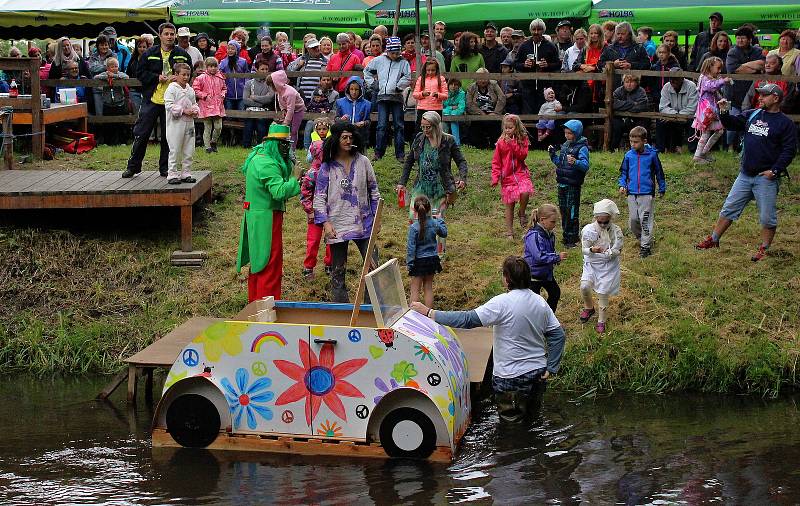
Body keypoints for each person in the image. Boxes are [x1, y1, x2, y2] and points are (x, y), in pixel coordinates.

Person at [409, 256, 566, 423]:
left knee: (510, 429)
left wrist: (429, 313)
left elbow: (467, 320)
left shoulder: (502, 303)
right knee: (532, 422)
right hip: (537, 375)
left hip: (510, 378)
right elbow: (558, 336)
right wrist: (551, 366)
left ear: (507, 279)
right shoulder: (540, 302)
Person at [696, 84, 797, 261]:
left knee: (767, 217)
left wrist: (774, 171)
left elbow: (789, 151)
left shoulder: (785, 123)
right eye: (760, 95)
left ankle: (764, 249)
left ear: (776, 98)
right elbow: (732, 124)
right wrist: (724, 112)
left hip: (765, 178)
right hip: (745, 174)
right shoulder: (753, 113)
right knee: (728, 209)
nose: (760, 98)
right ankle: (714, 239)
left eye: (765, 95)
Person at [313, 122, 381, 303]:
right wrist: (326, 223)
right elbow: (319, 198)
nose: (348, 140)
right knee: (338, 271)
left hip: (364, 224)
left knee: (374, 267)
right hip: (337, 225)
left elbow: (374, 192)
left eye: (351, 137)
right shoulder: (327, 167)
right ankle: (340, 311)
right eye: (344, 137)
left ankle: (369, 307)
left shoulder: (364, 162)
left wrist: (377, 219)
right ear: (336, 139)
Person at [237, 124, 301, 301]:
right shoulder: (267, 163)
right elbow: (279, 191)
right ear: (275, 144)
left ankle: (255, 305)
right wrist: (295, 178)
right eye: (284, 144)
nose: (287, 149)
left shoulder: (260, 156)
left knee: (259, 263)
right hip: (267, 218)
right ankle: (266, 311)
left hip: (258, 216)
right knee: (268, 264)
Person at [123, 22, 191, 179]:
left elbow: (189, 72)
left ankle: (166, 168)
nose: (169, 37)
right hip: (152, 99)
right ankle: (133, 167)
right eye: (166, 34)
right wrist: (156, 77)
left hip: (172, 102)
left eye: (172, 34)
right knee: (141, 133)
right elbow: (140, 73)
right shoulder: (149, 53)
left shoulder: (182, 54)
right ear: (159, 35)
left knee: (169, 137)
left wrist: (179, 78)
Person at [398, 111, 468, 226]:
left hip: (440, 189)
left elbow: (461, 161)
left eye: (428, 127)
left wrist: (462, 178)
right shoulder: (419, 138)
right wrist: (402, 182)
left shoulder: (448, 140)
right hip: (421, 186)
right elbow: (409, 161)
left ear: (436, 126)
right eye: (423, 127)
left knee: (436, 223)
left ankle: (438, 244)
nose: (425, 130)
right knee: (414, 219)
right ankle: (417, 243)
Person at [618, 126, 666, 258]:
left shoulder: (652, 155)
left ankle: (645, 247)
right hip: (631, 193)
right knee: (633, 220)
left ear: (644, 141)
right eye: (631, 141)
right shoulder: (628, 155)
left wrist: (662, 188)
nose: (633, 144)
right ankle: (642, 238)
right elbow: (623, 173)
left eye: (636, 142)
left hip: (646, 193)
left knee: (645, 220)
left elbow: (659, 172)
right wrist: (622, 185)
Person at [364, 36, 412, 162]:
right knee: (381, 125)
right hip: (382, 97)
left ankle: (400, 154)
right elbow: (367, 71)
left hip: (396, 97)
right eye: (393, 53)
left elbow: (407, 76)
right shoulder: (379, 60)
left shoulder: (403, 62)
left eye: (397, 52)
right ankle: (378, 152)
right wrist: (374, 84)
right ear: (388, 51)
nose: (395, 55)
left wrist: (398, 86)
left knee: (399, 125)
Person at [580, 199, 623, 333]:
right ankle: (589, 307)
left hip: (608, 265)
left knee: (603, 292)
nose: (603, 224)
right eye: (600, 222)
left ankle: (601, 320)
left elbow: (618, 249)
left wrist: (610, 252)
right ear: (595, 218)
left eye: (606, 221)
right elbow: (584, 249)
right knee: (585, 286)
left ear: (611, 218)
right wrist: (592, 250)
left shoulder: (616, 231)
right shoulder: (589, 230)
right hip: (592, 263)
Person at [549, 119, 590, 248]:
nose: (567, 136)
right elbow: (560, 163)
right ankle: (566, 236)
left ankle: (572, 238)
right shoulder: (565, 145)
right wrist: (552, 155)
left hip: (573, 184)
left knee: (572, 211)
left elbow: (585, 166)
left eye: (570, 133)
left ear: (577, 133)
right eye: (566, 133)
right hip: (561, 183)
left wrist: (576, 162)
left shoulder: (582, 147)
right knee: (563, 211)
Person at [492, 114, 534, 238]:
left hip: (521, 173)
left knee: (525, 192)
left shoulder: (523, 139)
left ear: (516, 127)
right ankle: (510, 232)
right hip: (507, 177)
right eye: (506, 128)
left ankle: (521, 213)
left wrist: (512, 144)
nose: (508, 130)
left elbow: (522, 155)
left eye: (510, 128)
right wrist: (495, 177)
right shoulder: (500, 142)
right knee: (509, 204)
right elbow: (496, 161)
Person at [301, 118, 333, 279]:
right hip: (315, 212)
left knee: (331, 239)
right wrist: (309, 210)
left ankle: (330, 264)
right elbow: (305, 192)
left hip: (331, 211)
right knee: (313, 240)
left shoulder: (334, 170)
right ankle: (308, 266)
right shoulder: (312, 173)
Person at [725, 25, 766, 151]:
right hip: (734, 93)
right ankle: (730, 146)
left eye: (743, 38)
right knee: (732, 121)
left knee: (750, 121)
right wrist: (752, 67)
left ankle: (745, 147)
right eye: (738, 38)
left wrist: (744, 66)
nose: (740, 41)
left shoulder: (757, 51)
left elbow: (761, 65)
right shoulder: (732, 52)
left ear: (749, 39)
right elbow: (733, 69)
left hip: (752, 93)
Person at [524, 204, 567, 312]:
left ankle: (548, 319)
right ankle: (536, 323)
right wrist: (556, 257)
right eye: (552, 222)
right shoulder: (534, 235)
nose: (555, 224)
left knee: (555, 293)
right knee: (534, 304)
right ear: (542, 220)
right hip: (533, 275)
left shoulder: (550, 234)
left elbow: (549, 252)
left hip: (546, 273)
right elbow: (539, 256)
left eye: (555, 221)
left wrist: (555, 258)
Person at [407, 195, 447, 306]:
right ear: (429, 209)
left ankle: (414, 316)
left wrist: (410, 264)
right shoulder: (434, 224)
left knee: (415, 289)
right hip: (432, 260)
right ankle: (428, 315)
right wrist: (440, 219)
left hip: (419, 261)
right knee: (428, 288)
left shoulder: (414, 227)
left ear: (415, 210)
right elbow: (444, 233)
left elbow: (411, 248)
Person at [514, 19, 560, 114]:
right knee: (528, 115)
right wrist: (524, 65)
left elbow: (558, 64)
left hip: (545, 87)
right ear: (530, 30)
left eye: (539, 29)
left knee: (544, 114)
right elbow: (515, 64)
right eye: (534, 29)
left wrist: (548, 65)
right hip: (527, 87)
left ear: (543, 31)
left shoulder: (551, 46)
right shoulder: (524, 46)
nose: (536, 32)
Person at [164, 62, 199, 185]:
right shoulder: (171, 89)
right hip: (175, 125)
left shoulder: (190, 90)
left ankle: (186, 172)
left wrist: (195, 110)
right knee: (175, 148)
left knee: (189, 148)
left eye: (188, 75)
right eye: (183, 74)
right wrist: (184, 111)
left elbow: (194, 103)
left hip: (189, 124)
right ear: (176, 75)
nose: (186, 77)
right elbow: (169, 105)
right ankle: (172, 173)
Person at [692, 57, 733, 163]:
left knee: (719, 131)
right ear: (710, 67)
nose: (720, 71)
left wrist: (722, 99)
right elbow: (710, 87)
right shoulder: (705, 78)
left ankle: (703, 153)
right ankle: (698, 156)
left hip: (712, 110)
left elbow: (714, 93)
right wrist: (723, 81)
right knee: (706, 133)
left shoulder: (710, 78)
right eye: (718, 68)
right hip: (707, 111)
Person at [597, 22, 651, 89]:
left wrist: (631, 65)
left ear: (629, 34)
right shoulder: (609, 48)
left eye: (622, 34)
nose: (619, 36)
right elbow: (599, 64)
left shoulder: (639, 48)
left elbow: (647, 64)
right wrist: (613, 64)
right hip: (613, 88)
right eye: (618, 34)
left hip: (635, 89)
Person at [656, 71, 698, 154]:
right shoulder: (666, 86)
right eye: (671, 79)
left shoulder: (691, 86)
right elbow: (663, 107)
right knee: (660, 121)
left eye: (675, 79)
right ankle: (660, 149)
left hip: (688, 116)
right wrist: (674, 115)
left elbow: (692, 108)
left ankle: (693, 150)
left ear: (682, 78)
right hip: (672, 116)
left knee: (694, 122)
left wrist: (678, 116)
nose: (672, 81)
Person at [192, 57, 226, 153]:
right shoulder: (201, 78)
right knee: (207, 127)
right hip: (206, 106)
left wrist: (222, 94)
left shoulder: (220, 77)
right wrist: (204, 96)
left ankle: (214, 141)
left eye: (215, 66)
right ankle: (207, 147)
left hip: (218, 106)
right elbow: (195, 89)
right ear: (206, 67)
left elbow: (224, 88)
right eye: (211, 66)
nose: (213, 68)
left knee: (218, 127)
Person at [466, 68, 506, 148]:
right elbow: (469, 104)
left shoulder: (494, 84)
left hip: (493, 113)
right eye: (480, 78)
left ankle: (494, 145)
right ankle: (481, 145)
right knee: (475, 130)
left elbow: (502, 98)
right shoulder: (471, 87)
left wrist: (495, 113)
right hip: (477, 115)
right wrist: (481, 113)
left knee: (494, 124)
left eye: (485, 78)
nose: (483, 81)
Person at [266, 70, 306, 149]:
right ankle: (284, 146)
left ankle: (292, 149)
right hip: (288, 110)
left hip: (298, 110)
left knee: (294, 130)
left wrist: (286, 122)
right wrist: (283, 110)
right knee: (285, 129)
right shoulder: (279, 91)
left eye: (272, 85)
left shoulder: (290, 93)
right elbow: (280, 102)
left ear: (277, 83)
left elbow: (291, 109)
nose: (271, 87)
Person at [94, 57, 130, 145]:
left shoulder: (120, 74)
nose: (114, 68)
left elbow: (127, 77)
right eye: (112, 66)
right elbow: (95, 77)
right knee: (107, 124)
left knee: (120, 124)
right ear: (107, 68)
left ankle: (122, 141)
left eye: (116, 66)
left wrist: (114, 76)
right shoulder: (104, 74)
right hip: (107, 103)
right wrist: (106, 76)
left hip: (119, 103)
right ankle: (107, 142)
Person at [243, 61, 276, 149]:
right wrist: (261, 102)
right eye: (262, 69)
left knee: (261, 125)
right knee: (249, 124)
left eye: (266, 69)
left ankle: (261, 146)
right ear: (256, 70)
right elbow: (245, 100)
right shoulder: (249, 83)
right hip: (250, 110)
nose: (265, 71)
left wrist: (254, 97)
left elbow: (270, 98)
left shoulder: (270, 83)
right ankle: (246, 146)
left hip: (264, 111)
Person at [611, 74, 649, 150]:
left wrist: (622, 106)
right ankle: (613, 149)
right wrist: (632, 103)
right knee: (616, 125)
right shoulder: (619, 90)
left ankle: (639, 149)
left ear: (636, 83)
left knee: (641, 126)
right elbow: (613, 104)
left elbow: (641, 106)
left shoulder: (641, 91)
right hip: (620, 118)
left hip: (637, 118)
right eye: (627, 82)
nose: (629, 84)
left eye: (631, 82)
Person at [288, 38, 329, 104]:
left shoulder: (326, 61)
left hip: (319, 97)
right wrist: (298, 66)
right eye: (313, 47)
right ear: (308, 49)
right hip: (302, 97)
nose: (317, 49)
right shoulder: (301, 59)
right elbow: (289, 71)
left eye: (317, 46)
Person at [302, 75, 338, 148]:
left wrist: (326, 114)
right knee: (309, 123)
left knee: (332, 125)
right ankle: (308, 147)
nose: (326, 82)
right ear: (320, 81)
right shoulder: (314, 93)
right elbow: (311, 106)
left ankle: (329, 146)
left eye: (328, 80)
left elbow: (334, 110)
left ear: (331, 81)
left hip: (328, 118)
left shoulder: (335, 94)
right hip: (315, 118)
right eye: (324, 80)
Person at [412, 59, 448, 129]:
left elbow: (445, 95)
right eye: (428, 70)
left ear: (436, 70)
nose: (430, 72)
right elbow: (415, 94)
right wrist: (422, 94)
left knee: (435, 129)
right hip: (422, 108)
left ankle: (436, 140)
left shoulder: (441, 79)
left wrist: (438, 95)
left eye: (433, 70)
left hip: (436, 109)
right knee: (420, 129)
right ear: (425, 70)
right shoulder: (421, 79)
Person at [335, 76, 371, 145]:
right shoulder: (340, 102)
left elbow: (369, 121)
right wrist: (341, 119)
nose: (354, 92)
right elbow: (336, 119)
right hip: (344, 135)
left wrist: (363, 123)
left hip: (360, 136)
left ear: (361, 89)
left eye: (356, 89)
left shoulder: (367, 104)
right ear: (348, 89)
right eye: (351, 89)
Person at [219, 40, 249, 113]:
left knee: (241, 115)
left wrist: (245, 86)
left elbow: (247, 74)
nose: (230, 51)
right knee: (229, 115)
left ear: (237, 50)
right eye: (228, 48)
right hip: (228, 94)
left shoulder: (243, 61)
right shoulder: (223, 62)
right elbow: (219, 75)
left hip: (241, 94)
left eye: (232, 49)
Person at [127, 37, 149, 113]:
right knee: (136, 113)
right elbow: (128, 73)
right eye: (140, 47)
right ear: (136, 48)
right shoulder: (133, 60)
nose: (142, 49)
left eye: (144, 47)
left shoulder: (151, 60)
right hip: (134, 91)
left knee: (147, 113)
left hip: (147, 91)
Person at [442, 78, 466, 146]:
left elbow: (461, 108)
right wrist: (451, 108)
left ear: (459, 86)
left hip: (456, 116)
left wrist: (452, 113)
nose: (453, 86)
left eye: (455, 85)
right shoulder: (444, 93)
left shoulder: (461, 94)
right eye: (451, 84)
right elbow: (440, 108)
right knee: (444, 122)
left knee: (453, 120)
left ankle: (456, 144)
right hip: (445, 115)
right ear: (448, 85)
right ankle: (443, 143)